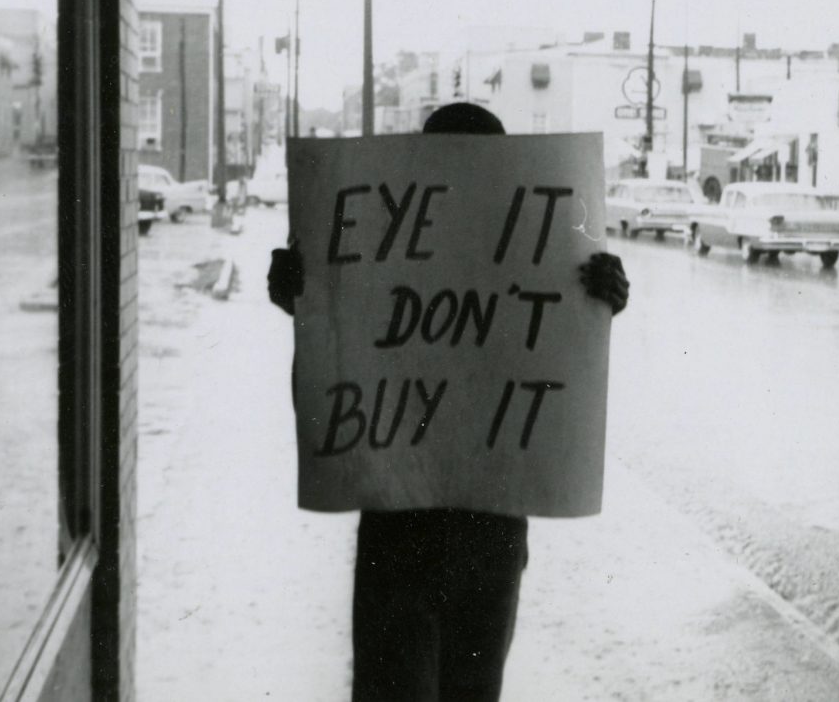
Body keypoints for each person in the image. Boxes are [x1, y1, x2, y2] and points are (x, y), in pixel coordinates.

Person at [267, 102, 629, 701]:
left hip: (472, 522)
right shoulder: (390, 242)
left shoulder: (532, 248)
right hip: (418, 519)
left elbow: (561, 343)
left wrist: (599, 296)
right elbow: (342, 320)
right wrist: (300, 288)